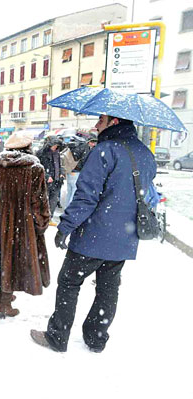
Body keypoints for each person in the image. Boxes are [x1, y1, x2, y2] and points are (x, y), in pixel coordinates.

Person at [31, 115, 156, 353]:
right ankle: (96, 338)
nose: (96, 125)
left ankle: (58, 336)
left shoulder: (104, 151)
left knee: (69, 282)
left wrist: (65, 227)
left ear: (115, 122)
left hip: (93, 236)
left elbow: (86, 197)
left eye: (102, 120)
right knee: (108, 288)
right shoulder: (145, 154)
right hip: (124, 239)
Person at [0, 131, 50, 318]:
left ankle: (4, 296)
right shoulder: (34, 168)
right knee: (14, 259)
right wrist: (41, 223)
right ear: (28, 148)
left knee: (2, 258)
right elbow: (39, 201)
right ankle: (5, 304)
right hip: (22, 226)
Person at [36, 136, 65, 222]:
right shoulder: (41, 153)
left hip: (57, 181)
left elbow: (59, 166)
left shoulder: (57, 153)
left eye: (57, 145)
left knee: (53, 201)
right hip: (46, 182)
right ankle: (43, 218)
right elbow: (38, 168)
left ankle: (49, 218)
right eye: (54, 145)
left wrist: (61, 173)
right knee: (45, 201)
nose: (55, 147)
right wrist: (47, 176)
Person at [65, 134, 97, 207]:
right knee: (74, 190)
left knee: (69, 191)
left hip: (70, 170)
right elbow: (83, 160)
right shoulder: (85, 148)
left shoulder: (78, 146)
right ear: (90, 142)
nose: (94, 144)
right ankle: (70, 207)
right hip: (76, 171)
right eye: (93, 142)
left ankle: (66, 206)